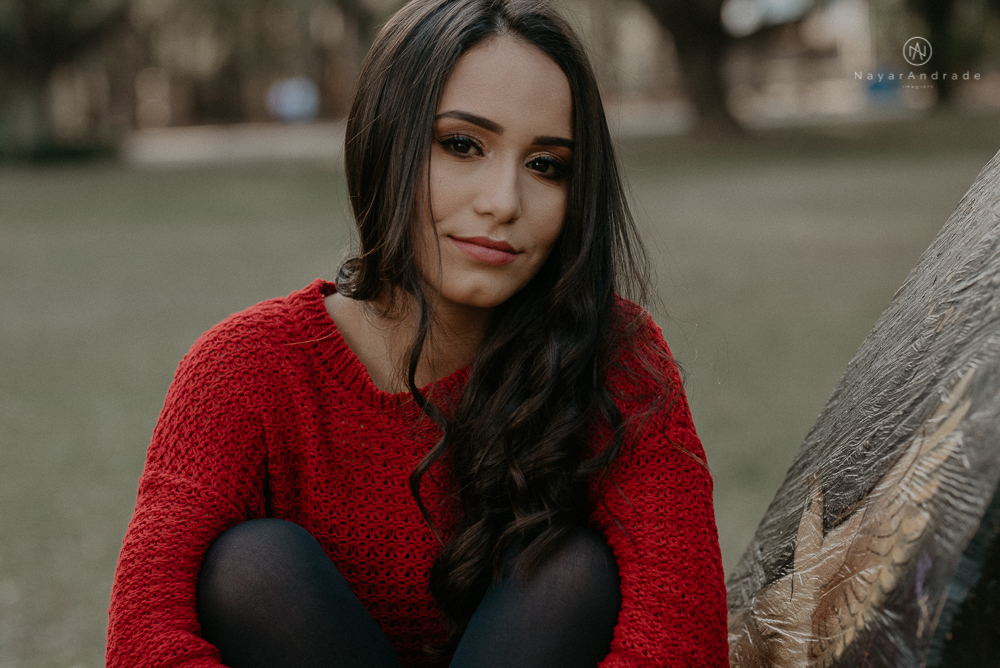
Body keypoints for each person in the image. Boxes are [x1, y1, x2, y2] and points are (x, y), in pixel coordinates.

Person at [105, 0, 728, 665]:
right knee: (254, 564)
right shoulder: (244, 366)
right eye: (462, 145)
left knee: (564, 567)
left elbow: (678, 634)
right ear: (385, 140)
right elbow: (146, 634)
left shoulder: (614, 357)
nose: (503, 202)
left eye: (546, 165)